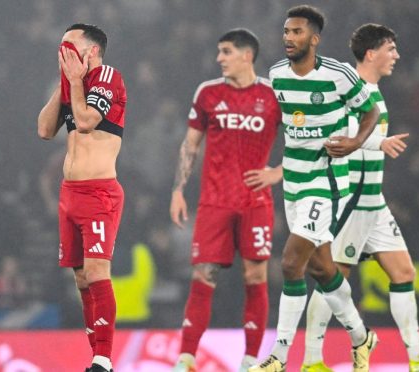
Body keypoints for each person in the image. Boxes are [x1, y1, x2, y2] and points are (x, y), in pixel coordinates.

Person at [300, 23, 419, 372]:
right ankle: (311, 360)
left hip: (374, 203)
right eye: (391, 49)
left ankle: (418, 358)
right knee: (335, 277)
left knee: (404, 271)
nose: (397, 55)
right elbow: (337, 137)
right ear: (371, 53)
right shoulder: (350, 90)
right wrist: (378, 142)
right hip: (351, 202)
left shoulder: (374, 91)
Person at [250, 5, 380, 372]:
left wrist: (354, 143)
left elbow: (369, 112)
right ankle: (361, 336)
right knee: (321, 269)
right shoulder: (276, 74)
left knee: (291, 263)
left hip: (329, 181)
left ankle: (279, 355)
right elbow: (277, 123)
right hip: (294, 180)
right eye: (286, 32)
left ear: (314, 38)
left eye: (296, 32)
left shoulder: (338, 75)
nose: (288, 38)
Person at [170, 29, 283, 372]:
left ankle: (250, 359)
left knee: (255, 276)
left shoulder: (274, 94)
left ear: (247, 55)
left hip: (256, 202)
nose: (219, 58)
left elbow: (305, 140)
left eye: (226, 51)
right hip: (214, 202)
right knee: (204, 276)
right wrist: (178, 190)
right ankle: (186, 357)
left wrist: (277, 173)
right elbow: (190, 145)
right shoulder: (208, 93)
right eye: (219, 51)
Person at [37, 23, 127, 372]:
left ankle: (103, 358)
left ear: (90, 51)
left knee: (96, 271)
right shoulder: (71, 83)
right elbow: (45, 130)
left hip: (99, 191)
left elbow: (87, 120)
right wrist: (64, 81)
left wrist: (74, 82)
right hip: (69, 193)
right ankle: (97, 358)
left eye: (69, 45)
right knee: (80, 278)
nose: (62, 50)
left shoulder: (107, 76)